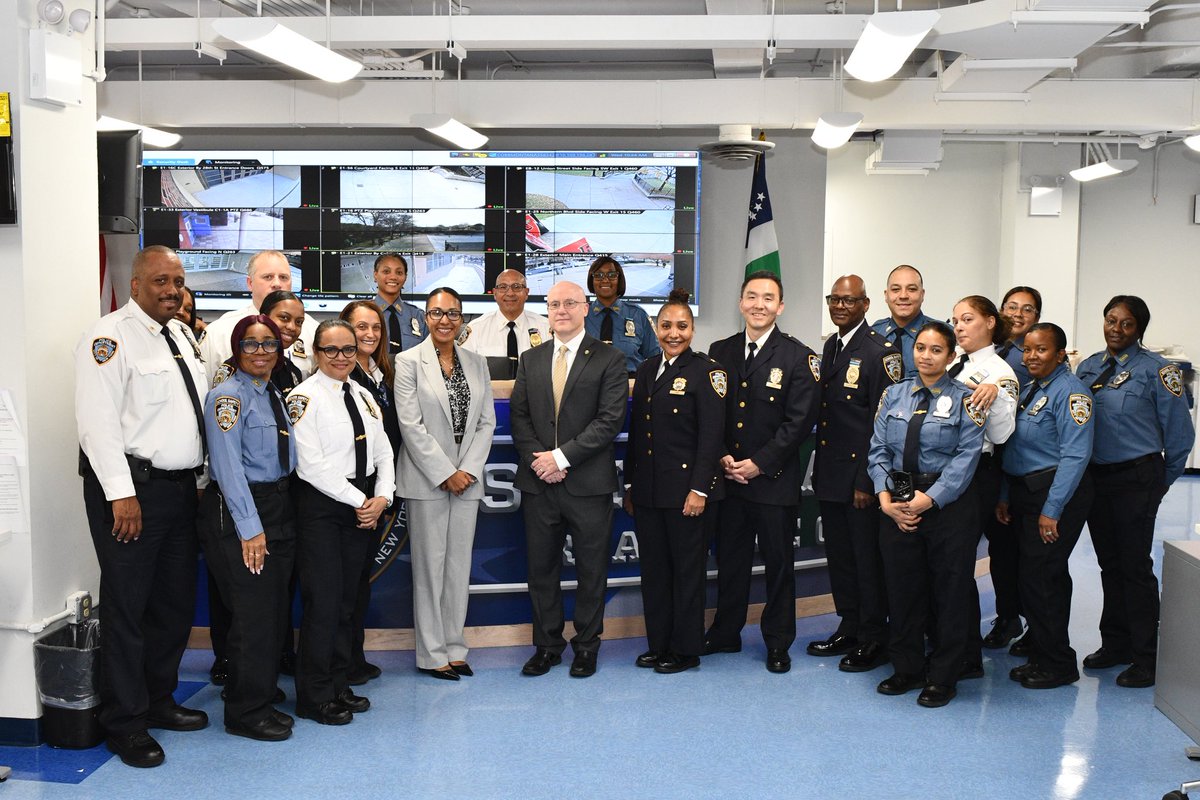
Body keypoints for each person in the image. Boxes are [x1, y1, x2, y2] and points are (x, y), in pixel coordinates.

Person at [75, 245, 209, 768]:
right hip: (132, 492)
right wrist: (120, 494)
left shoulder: (180, 335)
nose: (173, 291)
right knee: (128, 608)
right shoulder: (109, 338)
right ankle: (125, 723)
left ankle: (157, 700)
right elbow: (97, 423)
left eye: (178, 282)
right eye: (160, 282)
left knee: (173, 605)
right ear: (135, 285)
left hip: (179, 491)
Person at [704, 271, 820, 674]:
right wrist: (721, 456)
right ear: (740, 303)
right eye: (751, 297)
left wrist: (759, 463)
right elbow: (711, 413)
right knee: (731, 563)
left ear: (780, 307)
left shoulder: (798, 356)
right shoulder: (719, 351)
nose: (759, 304)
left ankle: (777, 642)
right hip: (729, 479)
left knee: (778, 565)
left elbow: (799, 423)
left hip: (772, 481)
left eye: (768, 298)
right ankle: (725, 633)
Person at [510, 280, 628, 678]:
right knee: (541, 570)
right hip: (539, 484)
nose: (561, 310)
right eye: (555, 304)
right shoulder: (532, 359)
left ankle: (587, 646)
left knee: (592, 570)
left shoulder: (609, 359)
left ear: (586, 308)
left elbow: (610, 420)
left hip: (588, 484)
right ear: (548, 310)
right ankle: (546, 646)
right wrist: (541, 462)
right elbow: (520, 418)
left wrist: (562, 457)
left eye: (570, 303)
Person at [1076, 296, 1195, 688]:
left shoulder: (1159, 372)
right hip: (1098, 478)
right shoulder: (1090, 367)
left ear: (1139, 329)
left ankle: (1147, 657)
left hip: (1137, 478)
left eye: (1126, 323)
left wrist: (1158, 484)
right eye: (1110, 320)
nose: (1116, 329)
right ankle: (1115, 644)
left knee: (1135, 567)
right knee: (1109, 565)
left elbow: (1180, 437)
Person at [868, 321, 985, 708]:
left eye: (936, 350)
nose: (926, 355)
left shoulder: (968, 400)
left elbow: (965, 460)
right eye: (920, 348)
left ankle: (943, 675)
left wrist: (930, 499)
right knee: (902, 589)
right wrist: (886, 499)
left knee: (948, 592)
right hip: (898, 498)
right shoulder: (893, 395)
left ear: (952, 357)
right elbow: (878, 450)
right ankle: (906, 667)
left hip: (948, 506)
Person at [288, 319, 396, 724]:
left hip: (364, 504)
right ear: (316, 353)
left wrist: (383, 495)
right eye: (331, 350)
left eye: (348, 349)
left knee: (347, 603)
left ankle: (338, 683)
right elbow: (311, 466)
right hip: (325, 509)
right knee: (324, 603)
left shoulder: (364, 394)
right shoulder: (303, 397)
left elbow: (384, 450)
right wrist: (361, 501)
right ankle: (313, 695)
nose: (340, 357)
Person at [199, 315, 296, 742]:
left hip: (278, 502)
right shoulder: (227, 397)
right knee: (253, 614)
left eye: (269, 344)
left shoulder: (272, 390)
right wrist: (250, 529)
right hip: (242, 510)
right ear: (236, 350)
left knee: (272, 610)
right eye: (252, 344)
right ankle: (245, 711)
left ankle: (257, 690)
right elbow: (227, 468)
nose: (261, 352)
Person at [394, 287, 496, 680]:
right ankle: (432, 653)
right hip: (427, 480)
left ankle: (455, 646)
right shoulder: (408, 362)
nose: (445, 320)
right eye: (437, 313)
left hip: (466, 480)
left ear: (462, 318)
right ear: (425, 317)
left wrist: (467, 470)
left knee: (458, 568)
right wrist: (445, 472)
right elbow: (411, 425)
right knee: (429, 569)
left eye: (453, 313)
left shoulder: (476, 362)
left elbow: (486, 421)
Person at [623, 288, 726, 674]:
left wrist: (700, 488)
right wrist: (632, 485)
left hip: (687, 494)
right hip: (650, 492)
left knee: (686, 573)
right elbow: (639, 433)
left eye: (682, 326)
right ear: (655, 327)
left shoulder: (708, 371)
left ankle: (685, 649)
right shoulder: (648, 369)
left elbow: (711, 436)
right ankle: (659, 643)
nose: (673, 333)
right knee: (655, 572)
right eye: (666, 325)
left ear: (693, 329)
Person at [807, 275, 902, 672]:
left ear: (866, 305)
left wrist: (868, 480)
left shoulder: (882, 352)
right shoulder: (832, 345)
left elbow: (885, 424)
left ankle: (873, 635)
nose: (841, 306)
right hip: (830, 474)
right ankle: (849, 624)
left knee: (867, 560)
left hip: (860, 479)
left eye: (850, 300)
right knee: (841, 558)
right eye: (835, 299)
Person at [997, 323, 1095, 690]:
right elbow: (1016, 448)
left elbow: (1075, 455)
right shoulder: (1033, 390)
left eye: (1041, 350)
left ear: (1060, 355)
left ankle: (1059, 663)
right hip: (1027, 492)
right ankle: (1041, 652)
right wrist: (1006, 494)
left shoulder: (1071, 394)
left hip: (1056, 495)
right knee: (1033, 577)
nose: (1031, 356)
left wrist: (1052, 510)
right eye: (1028, 350)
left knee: (1044, 578)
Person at [948, 296, 1019, 675]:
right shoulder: (955, 364)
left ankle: (966, 655)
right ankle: (947, 642)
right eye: (955, 320)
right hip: (945, 470)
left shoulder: (999, 372)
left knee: (958, 565)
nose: (959, 326)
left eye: (968, 319)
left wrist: (991, 400)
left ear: (991, 322)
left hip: (976, 471)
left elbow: (1002, 433)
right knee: (945, 563)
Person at [339, 300, 402, 685]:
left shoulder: (383, 372)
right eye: (361, 327)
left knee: (361, 581)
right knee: (343, 586)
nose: (369, 334)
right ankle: (341, 661)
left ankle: (354, 655)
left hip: (378, 490)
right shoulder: (342, 376)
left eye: (376, 327)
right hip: (349, 493)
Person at [200, 250, 316, 384]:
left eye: (283, 277)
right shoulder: (219, 332)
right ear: (250, 283)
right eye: (268, 277)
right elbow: (204, 388)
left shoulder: (312, 330)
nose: (277, 284)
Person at [460, 268, 550, 379]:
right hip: (490, 395)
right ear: (495, 293)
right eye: (503, 287)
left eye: (516, 287)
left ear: (526, 293)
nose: (510, 293)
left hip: (534, 395)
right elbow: (461, 370)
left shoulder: (546, 328)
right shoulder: (476, 329)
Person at [583, 256, 660, 375]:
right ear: (591, 280)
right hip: (588, 387)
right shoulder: (581, 315)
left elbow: (655, 358)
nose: (605, 280)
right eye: (598, 275)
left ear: (619, 280)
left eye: (612, 275)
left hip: (629, 386)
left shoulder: (638, 315)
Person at [870, 264, 936, 378]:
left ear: (922, 294)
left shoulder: (942, 334)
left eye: (912, 289)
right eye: (896, 289)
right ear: (886, 295)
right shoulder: (873, 333)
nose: (903, 295)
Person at [372, 253, 427, 354]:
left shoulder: (418, 316)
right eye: (386, 271)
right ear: (375, 275)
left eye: (399, 272)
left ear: (405, 277)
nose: (393, 277)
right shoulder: (362, 313)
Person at [259, 290, 308, 395]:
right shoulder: (242, 366)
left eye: (299, 322)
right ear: (263, 318)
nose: (292, 327)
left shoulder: (292, 371)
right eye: (284, 318)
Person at [999, 286, 1042, 388]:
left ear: (1037, 318)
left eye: (1027, 310)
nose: (1018, 314)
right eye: (1012, 307)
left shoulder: (1039, 354)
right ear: (1002, 311)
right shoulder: (987, 344)